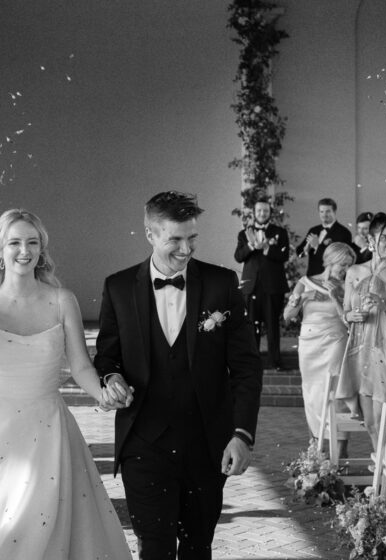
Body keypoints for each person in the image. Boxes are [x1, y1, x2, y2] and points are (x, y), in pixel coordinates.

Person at [0, 209, 132, 560]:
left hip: (48, 429)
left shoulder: (62, 300)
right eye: (15, 242)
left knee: (38, 522)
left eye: (32, 242)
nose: (24, 251)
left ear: (42, 248)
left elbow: (81, 365)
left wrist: (103, 393)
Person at [95, 191, 263, 559]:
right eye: (175, 239)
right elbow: (107, 357)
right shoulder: (119, 287)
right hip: (144, 442)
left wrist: (241, 435)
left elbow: (247, 368)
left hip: (207, 443)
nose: (186, 249)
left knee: (197, 547)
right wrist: (111, 379)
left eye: (192, 238)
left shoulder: (222, 285)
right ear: (150, 234)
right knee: (153, 548)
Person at [337, 214, 386, 447]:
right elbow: (346, 312)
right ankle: (384, 480)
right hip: (360, 349)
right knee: (370, 422)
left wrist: (385, 305)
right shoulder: (354, 272)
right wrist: (351, 316)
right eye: (385, 238)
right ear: (370, 240)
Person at [284, 242, 354, 455]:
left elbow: (349, 321)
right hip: (308, 346)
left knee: (334, 393)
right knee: (312, 395)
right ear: (330, 261)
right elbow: (288, 316)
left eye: (349, 266)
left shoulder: (348, 287)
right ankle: (316, 451)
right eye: (342, 264)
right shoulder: (305, 282)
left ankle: (339, 449)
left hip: (335, 342)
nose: (345, 270)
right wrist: (304, 297)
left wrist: (336, 297)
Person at [234, 198, 290, 370]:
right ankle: (252, 363)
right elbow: (238, 257)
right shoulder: (244, 234)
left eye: (265, 211)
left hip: (273, 286)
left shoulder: (280, 232)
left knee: (272, 325)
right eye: (259, 211)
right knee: (251, 326)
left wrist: (267, 248)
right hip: (251, 286)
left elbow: (284, 256)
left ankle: (275, 362)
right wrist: (251, 246)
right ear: (254, 212)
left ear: (269, 213)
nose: (262, 214)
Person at [295, 198, 354, 276]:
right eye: (321, 211)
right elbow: (299, 252)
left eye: (328, 211)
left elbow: (340, 258)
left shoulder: (344, 232)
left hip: (331, 277)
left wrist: (317, 247)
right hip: (312, 276)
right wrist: (306, 251)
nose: (324, 215)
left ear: (335, 212)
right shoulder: (313, 230)